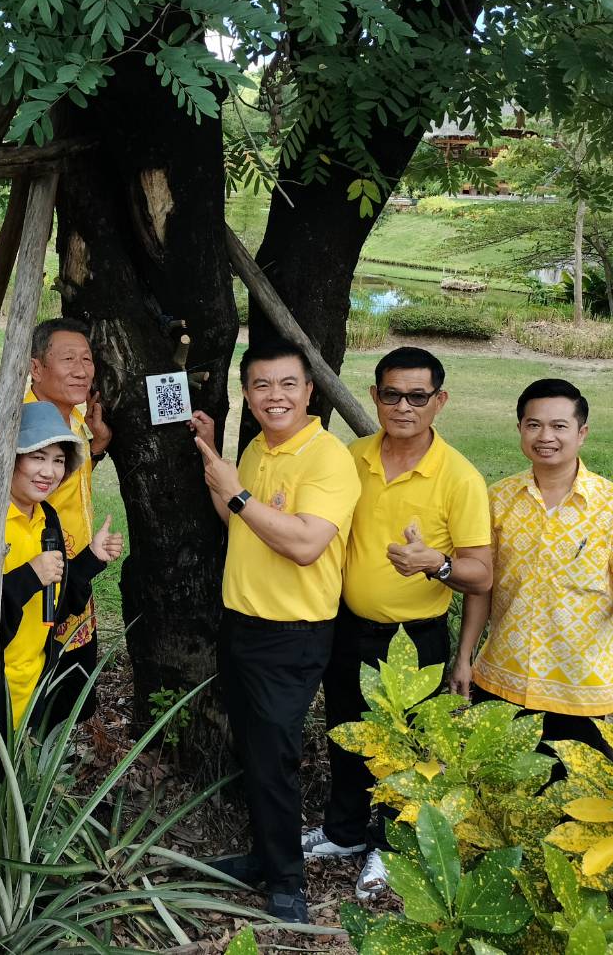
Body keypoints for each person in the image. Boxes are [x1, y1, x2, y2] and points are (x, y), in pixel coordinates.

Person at [300, 346, 493, 899]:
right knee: (345, 731)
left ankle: (390, 848)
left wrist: (438, 563)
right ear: (375, 397)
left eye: (418, 396)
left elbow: (481, 574)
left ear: (440, 401)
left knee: (405, 748)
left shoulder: (459, 477)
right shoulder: (351, 457)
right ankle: (343, 832)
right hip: (346, 626)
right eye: (392, 394)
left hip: (414, 639)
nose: (404, 406)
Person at [191, 337, 362, 925]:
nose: (275, 395)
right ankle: (267, 857)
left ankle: (289, 882)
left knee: (275, 758)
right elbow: (239, 522)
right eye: (261, 385)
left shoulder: (327, 457)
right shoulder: (261, 450)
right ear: (246, 392)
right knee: (254, 750)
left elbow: (306, 544)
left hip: (292, 632)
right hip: (241, 622)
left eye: (288, 384)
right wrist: (217, 460)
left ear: (310, 390)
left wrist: (236, 493)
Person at [454, 378, 613, 776]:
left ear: (581, 433)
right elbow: (481, 586)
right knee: (498, 797)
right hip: (503, 679)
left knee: (572, 806)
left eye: (559, 426)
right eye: (533, 425)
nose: (545, 436)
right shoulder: (497, 500)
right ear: (520, 429)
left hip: (580, 687)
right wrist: (464, 657)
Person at [0, 401, 124, 740]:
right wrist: (27, 577)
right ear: (8, 457)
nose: (49, 472)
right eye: (37, 457)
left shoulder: (45, 519)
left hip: (29, 692)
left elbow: (53, 606)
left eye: (59, 460)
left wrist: (92, 558)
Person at [0, 318, 113, 724]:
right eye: (68, 359)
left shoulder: (78, 427)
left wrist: (97, 446)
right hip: (24, 591)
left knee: (65, 708)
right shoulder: (4, 433)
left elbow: (62, 484)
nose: (82, 370)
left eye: (87, 359)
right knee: (20, 709)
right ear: (35, 368)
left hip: (73, 586)